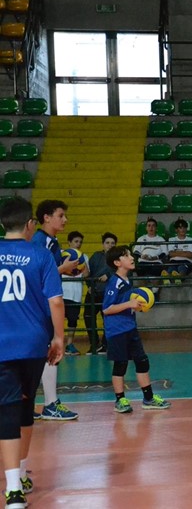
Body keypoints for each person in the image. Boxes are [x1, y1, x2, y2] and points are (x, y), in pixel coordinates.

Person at [0, 197, 65, 508]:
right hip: (32, 343)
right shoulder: (40, 254)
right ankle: (22, 473)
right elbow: (56, 301)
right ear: (30, 224)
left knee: (7, 411)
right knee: (26, 406)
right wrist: (59, 338)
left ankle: (14, 490)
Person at [101, 245, 171, 413]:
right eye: (127, 256)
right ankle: (120, 400)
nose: (132, 257)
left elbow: (127, 303)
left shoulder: (127, 280)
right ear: (117, 263)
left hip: (130, 327)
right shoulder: (114, 282)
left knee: (142, 361)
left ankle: (148, 398)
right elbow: (107, 309)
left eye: (131, 255)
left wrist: (137, 306)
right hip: (116, 330)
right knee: (121, 364)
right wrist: (129, 304)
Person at [30, 199, 79, 421]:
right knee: (50, 351)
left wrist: (67, 270)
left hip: (42, 305)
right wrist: (62, 268)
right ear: (46, 218)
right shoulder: (40, 241)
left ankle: (30, 404)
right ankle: (50, 404)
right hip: (40, 305)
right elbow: (38, 274)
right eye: (61, 215)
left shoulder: (52, 241)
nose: (65, 219)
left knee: (41, 354)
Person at [84, 232, 117, 355]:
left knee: (107, 319)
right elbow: (88, 273)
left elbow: (122, 273)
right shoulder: (96, 256)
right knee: (88, 316)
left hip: (108, 293)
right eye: (107, 243)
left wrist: (109, 275)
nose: (110, 245)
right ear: (103, 244)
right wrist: (89, 286)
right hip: (94, 292)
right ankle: (94, 344)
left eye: (112, 243)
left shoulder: (118, 258)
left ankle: (105, 345)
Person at [61, 231, 88, 356]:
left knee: (73, 321)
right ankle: (54, 344)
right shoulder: (62, 255)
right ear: (69, 242)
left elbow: (86, 275)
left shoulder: (84, 257)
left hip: (76, 294)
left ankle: (69, 344)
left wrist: (82, 264)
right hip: (61, 293)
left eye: (80, 242)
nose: (78, 244)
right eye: (76, 241)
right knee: (57, 320)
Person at [133, 218, 166, 290]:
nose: (151, 228)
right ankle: (144, 292)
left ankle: (155, 292)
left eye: (153, 226)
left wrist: (156, 257)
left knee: (157, 272)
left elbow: (165, 253)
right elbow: (135, 251)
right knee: (140, 272)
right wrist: (142, 256)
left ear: (156, 228)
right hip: (143, 262)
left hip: (156, 262)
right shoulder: (141, 239)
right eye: (149, 225)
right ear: (146, 228)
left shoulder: (161, 239)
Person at [165, 218, 192, 285]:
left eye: (184, 227)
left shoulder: (191, 240)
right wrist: (185, 252)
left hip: (186, 261)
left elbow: (190, 255)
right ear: (176, 229)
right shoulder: (171, 240)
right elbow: (171, 254)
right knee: (171, 268)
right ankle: (167, 278)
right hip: (173, 261)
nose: (183, 229)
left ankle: (179, 278)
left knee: (182, 268)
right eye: (180, 228)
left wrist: (176, 252)